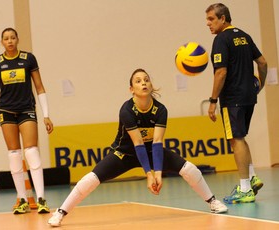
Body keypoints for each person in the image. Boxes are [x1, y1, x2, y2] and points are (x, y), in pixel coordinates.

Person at [48, 68, 228, 227]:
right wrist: (148, 175)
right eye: (138, 81)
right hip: (124, 153)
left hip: (152, 152)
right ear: (131, 89)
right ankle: (60, 213)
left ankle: (212, 201)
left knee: (189, 169)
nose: (144, 83)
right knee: (91, 179)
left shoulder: (160, 110)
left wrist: (157, 173)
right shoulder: (127, 110)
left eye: (146, 80)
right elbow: (138, 144)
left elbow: (157, 143)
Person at [205, 3, 268, 204]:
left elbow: (220, 72)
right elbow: (263, 63)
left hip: (232, 98)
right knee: (238, 138)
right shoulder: (245, 36)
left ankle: (245, 189)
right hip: (249, 96)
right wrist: (259, 84)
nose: (208, 24)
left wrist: (213, 101)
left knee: (236, 139)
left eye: (211, 19)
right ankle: (251, 178)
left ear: (223, 19)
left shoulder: (221, 39)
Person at [0, 27, 54, 214]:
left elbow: (40, 87)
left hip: (27, 109)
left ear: (17, 39)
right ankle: (23, 200)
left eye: (12, 38)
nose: (9, 41)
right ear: (2, 42)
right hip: (6, 112)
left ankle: (41, 199)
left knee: (32, 151)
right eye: (6, 38)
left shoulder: (28, 59)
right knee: (14, 154)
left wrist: (46, 115)